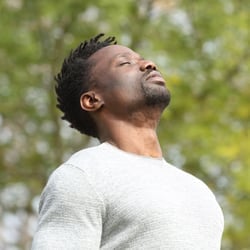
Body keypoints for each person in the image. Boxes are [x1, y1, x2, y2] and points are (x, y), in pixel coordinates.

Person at [32, 34, 224, 249]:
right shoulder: (83, 175)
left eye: (143, 59)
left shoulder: (197, 189)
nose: (149, 64)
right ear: (92, 100)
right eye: (125, 63)